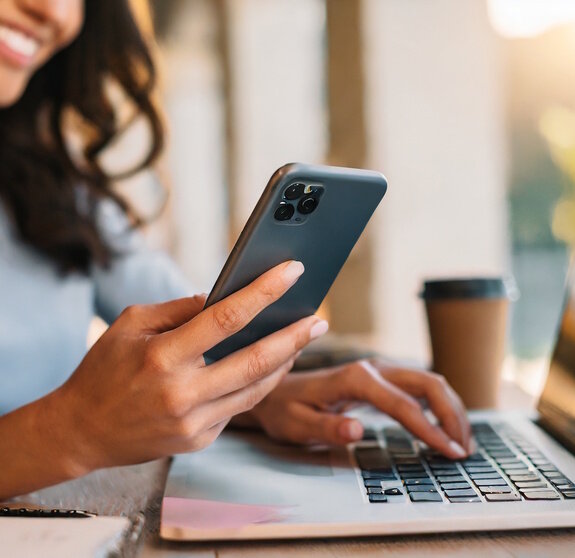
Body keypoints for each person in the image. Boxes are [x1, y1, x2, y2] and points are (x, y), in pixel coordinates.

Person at [0, 0, 471, 501]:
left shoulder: (52, 185)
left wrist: (261, 395)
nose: (53, 10)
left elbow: (182, 318)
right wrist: (69, 431)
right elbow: (81, 423)